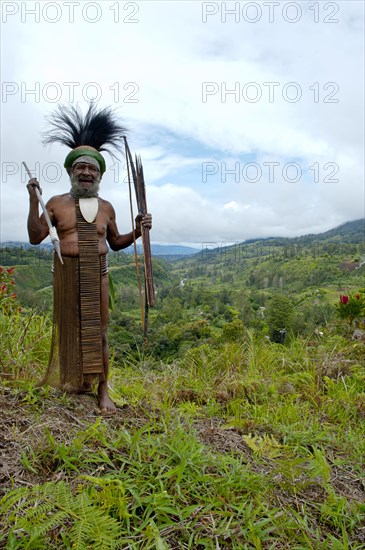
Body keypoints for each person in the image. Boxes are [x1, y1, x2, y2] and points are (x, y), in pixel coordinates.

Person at [26, 104, 151, 412]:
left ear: (99, 175)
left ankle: (103, 391)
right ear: (71, 172)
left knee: (100, 333)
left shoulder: (107, 207)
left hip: (98, 275)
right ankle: (76, 382)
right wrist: (32, 200)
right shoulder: (55, 203)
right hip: (67, 275)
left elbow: (117, 243)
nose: (86, 172)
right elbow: (35, 236)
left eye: (92, 169)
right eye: (80, 168)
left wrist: (137, 231)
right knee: (70, 328)